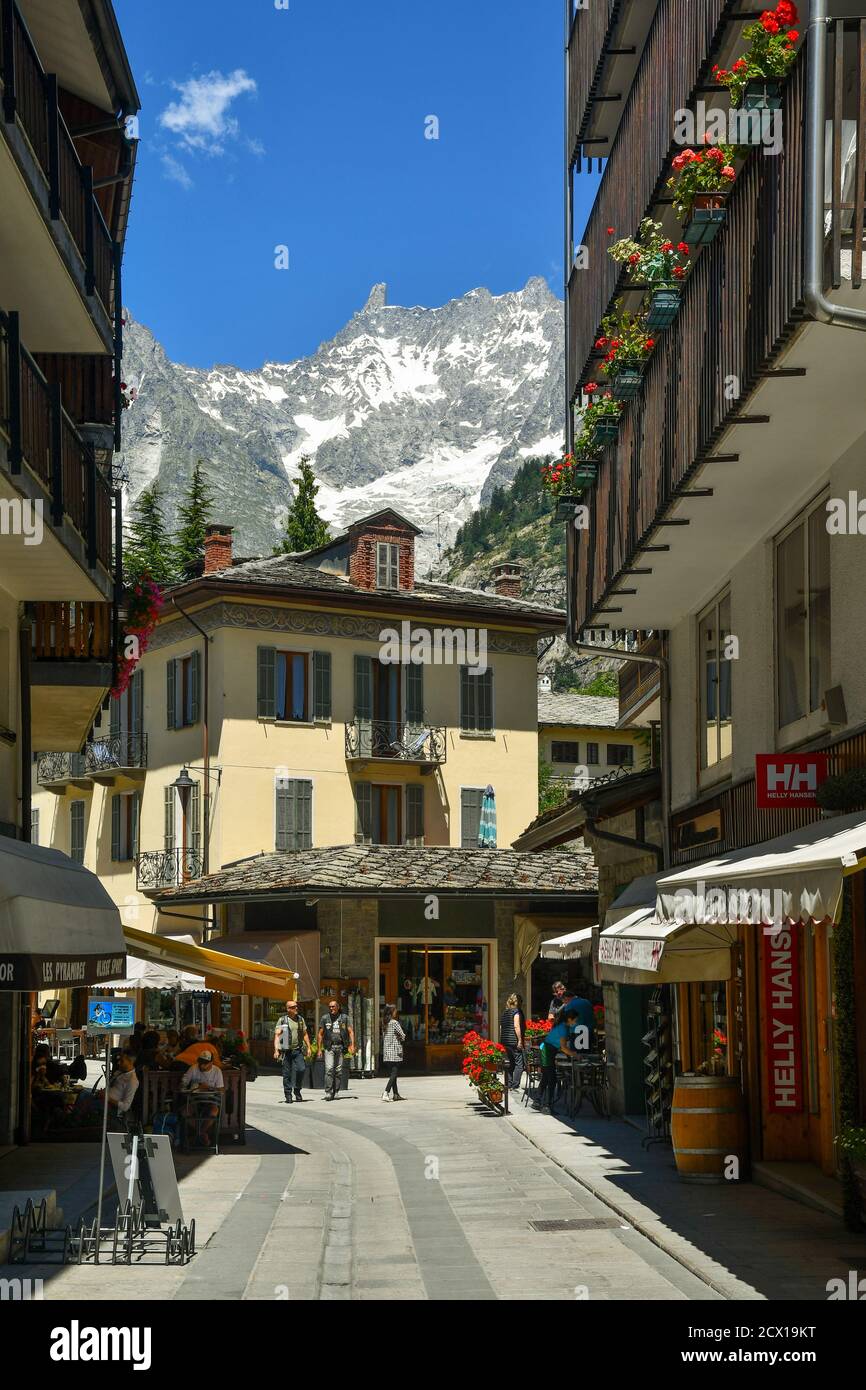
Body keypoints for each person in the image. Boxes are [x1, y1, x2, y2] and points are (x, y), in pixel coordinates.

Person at [534, 1009, 581, 1114]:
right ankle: (547, 1106)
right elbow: (564, 1048)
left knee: (546, 1078)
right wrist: (575, 1055)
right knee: (552, 1080)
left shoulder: (563, 1026)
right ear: (569, 1019)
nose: (576, 1022)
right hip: (546, 1052)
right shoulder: (563, 1029)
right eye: (575, 1020)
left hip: (547, 1051)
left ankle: (537, 1101)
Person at [180, 1049, 224, 1147]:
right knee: (185, 1112)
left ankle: (198, 1134)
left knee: (214, 1111)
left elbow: (221, 1090)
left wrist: (208, 1087)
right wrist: (185, 1085)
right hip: (194, 1100)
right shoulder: (193, 1068)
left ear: (211, 1063)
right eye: (200, 1063)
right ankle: (202, 1134)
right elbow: (183, 1083)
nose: (202, 1066)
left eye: (205, 1063)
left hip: (210, 1101)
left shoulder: (217, 1071)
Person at [273, 999, 311, 1102]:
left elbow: (304, 1034)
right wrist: (276, 1050)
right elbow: (277, 1035)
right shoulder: (282, 1020)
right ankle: (288, 1094)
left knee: (301, 1069)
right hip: (286, 1051)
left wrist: (309, 1047)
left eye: (296, 1006)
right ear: (288, 1009)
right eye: (294, 1007)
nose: (296, 1008)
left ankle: (297, 1090)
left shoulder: (300, 1019)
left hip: (297, 1050)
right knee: (287, 1074)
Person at [318, 999, 354, 1101]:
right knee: (329, 1069)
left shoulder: (344, 1018)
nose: (331, 1008)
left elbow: (350, 1032)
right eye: (330, 1007)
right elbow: (320, 1034)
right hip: (329, 1047)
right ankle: (328, 1092)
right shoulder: (325, 1018)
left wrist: (352, 1045)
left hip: (341, 1047)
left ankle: (336, 1091)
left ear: (338, 1007)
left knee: (338, 1071)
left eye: (333, 1006)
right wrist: (320, 1049)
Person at [500, 992, 526, 1091]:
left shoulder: (505, 1012)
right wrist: (519, 1040)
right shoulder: (516, 1012)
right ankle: (515, 1084)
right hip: (514, 1041)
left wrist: (502, 1039)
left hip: (505, 1041)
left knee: (510, 1063)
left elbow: (501, 1027)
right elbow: (516, 1026)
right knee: (519, 1063)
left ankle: (509, 1083)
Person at [381, 1004, 405, 1101]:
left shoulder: (384, 1023)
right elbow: (403, 1035)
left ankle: (396, 1094)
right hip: (395, 1051)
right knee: (394, 1073)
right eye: (395, 1011)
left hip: (387, 1052)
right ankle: (386, 1092)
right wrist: (400, 1037)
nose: (396, 1012)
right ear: (392, 1012)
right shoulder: (394, 1022)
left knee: (392, 1073)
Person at [108, 1053, 139, 1119]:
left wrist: (108, 1098)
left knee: (84, 1097)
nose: (118, 1063)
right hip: (104, 1101)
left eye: (122, 1061)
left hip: (111, 1108)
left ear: (130, 1062)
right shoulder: (120, 1073)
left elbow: (125, 1107)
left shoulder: (132, 1081)